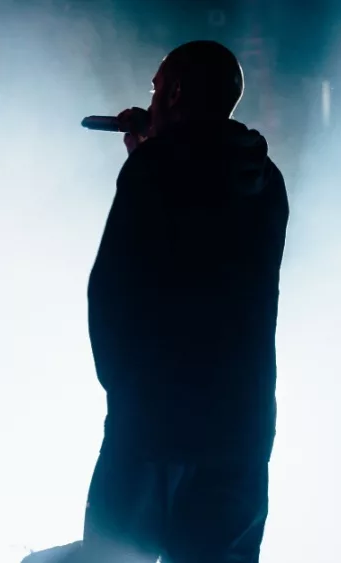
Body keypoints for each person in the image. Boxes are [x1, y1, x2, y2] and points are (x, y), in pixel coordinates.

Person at [80, 40, 289, 563]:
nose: (149, 101)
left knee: (115, 556)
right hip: (240, 430)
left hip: (153, 424)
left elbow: (113, 291)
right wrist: (154, 149)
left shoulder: (155, 168)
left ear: (174, 92)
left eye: (155, 89)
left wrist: (125, 392)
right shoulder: (268, 181)